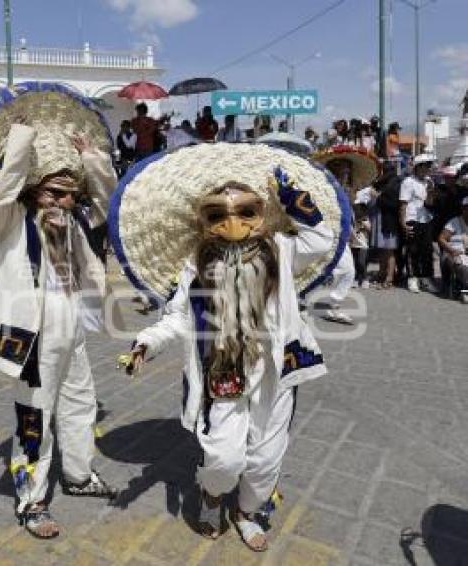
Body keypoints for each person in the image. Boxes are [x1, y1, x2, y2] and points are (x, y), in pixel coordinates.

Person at [118, 143, 336, 553]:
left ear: (261, 215)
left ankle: (247, 511)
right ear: (204, 221)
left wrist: (291, 199)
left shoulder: (282, 250)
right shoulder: (196, 266)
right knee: (223, 458)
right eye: (219, 214)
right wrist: (146, 342)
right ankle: (213, 494)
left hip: (274, 370)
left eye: (245, 212)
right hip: (222, 372)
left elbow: (321, 237)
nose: (233, 223)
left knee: (266, 456)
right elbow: (178, 318)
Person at [0, 121, 119, 538]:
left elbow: (112, 201)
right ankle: (32, 499)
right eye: (55, 192)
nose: (65, 202)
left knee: (80, 404)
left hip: (73, 327)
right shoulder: (12, 219)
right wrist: (22, 142)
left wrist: (91, 157)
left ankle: (78, 474)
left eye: (71, 194)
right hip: (33, 334)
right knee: (35, 414)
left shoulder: (77, 222)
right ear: (34, 191)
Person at [311, 146, 380, 323]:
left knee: (347, 270)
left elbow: (349, 211)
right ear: (333, 167)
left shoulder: (348, 190)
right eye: (341, 167)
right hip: (324, 234)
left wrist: (355, 226)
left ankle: (331, 304)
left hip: (341, 236)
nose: (345, 171)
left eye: (347, 168)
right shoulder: (322, 187)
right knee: (337, 269)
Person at [400, 154, 437, 293]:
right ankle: (412, 278)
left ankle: (426, 278)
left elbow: (429, 203)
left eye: (429, 165)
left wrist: (430, 191)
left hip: (426, 219)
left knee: (427, 250)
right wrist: (403, 223)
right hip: (412, 218)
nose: (429, 168)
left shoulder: (428, 181)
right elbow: (403, 204)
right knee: (412, 250)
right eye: (427, 165)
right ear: (419, 167)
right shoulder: (408, 182)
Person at [369, 163, 402, 288]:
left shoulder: (394, 183)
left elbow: (393, 204)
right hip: (383, 220)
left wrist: (377, 197)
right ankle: (382, 273)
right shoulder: (387, 181)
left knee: (389, 250)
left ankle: (389, 278)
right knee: (383, 249)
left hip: (389, 222)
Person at [438, 197, 468, 302]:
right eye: (466, 208)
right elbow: (441, 239)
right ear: (463, 209)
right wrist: (451, 250)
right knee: (459, 264)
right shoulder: (454, 222)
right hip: (453, 251)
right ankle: (463, 289)